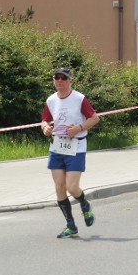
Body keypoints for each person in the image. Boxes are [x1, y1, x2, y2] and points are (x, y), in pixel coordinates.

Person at [40, 67, 100, 237]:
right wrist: (45, 128)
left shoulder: (79, 98)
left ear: (70, 81)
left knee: (72, 187)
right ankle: (71, 225)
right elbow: (44, 119)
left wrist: (79, 128)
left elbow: (95, 118)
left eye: (63, 78)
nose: (59, 81)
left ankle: (84, 204)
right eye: (56, 78)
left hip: (76, 146)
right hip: (57, 147)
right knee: (59, 187)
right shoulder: (51, 100)